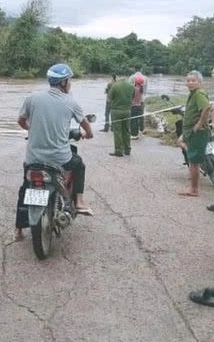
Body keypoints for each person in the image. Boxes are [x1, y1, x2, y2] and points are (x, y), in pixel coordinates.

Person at [14, 63, 94, 240]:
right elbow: (85, 125)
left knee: (26, 186)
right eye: (70, 81)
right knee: (78, 164)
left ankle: (19, 229)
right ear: (64, 82)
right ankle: (79, 201)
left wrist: (32, 129)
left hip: (33, 158)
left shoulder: (32, 98)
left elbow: (21, 121)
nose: (70, 83)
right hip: (60, 158)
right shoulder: (71, 102)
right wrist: (89, 134)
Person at [178, 71, 211, 197]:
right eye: (188, 80)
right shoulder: (193, 94)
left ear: (199, 82)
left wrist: (199, 124)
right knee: (192, 159)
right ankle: (192, 185)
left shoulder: (198, 94)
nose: (190, 83)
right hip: (190, 132)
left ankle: (194, 189)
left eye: (193, 81)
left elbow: (207, 107)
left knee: (194, 162)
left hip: (198, 132)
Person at [107, 76, 135, 157]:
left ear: (118, 77)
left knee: (117, 131)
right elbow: (132, 97)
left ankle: (118, 151)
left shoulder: (115, 85)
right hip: (127, 111)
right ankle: (127, 150)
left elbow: (109, 98)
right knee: (126, 130)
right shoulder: (131, 86)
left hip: (116, 111)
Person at [130, 73, 146, 139]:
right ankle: (139, 132)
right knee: (137, 120)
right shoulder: (141, 89)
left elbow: (130, 97)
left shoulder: (134, 88)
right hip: (139, 106)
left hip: (133, 106)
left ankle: (134, 135)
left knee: (133, 121)